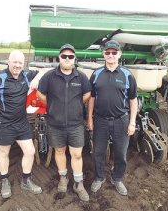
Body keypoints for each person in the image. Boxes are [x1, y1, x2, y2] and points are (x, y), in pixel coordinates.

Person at [0, 50, 43, 199]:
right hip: (3, 122)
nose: (17, 65)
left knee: (30, 151)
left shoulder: (26, 75)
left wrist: (36, 78)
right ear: (8, 62)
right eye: (15, 62)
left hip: (21, 122)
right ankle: (5, 180)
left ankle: (26, 180)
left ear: (24, 64)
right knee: (4, 153)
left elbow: (41, 72)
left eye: (20, 63)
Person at [37, 44, 92, 201]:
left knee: (77, 154)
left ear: (74, 58)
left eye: (70, 56)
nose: (67, 59)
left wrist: (73, 105)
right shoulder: (49, 76)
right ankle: (63, 177)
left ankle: (78, 183)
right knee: (59, 151)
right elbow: (41, 94)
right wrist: (54, 105)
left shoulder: (81, 77)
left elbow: (87, 94)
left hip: (75, 124)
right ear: (59, 57)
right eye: (64, 56)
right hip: (55, 123)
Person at [87, 40, 138, 196]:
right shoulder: (96, 74)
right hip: (100, 120)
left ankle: (117, 179)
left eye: (114, 53)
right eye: (107, 52)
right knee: (98, 152)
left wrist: (132, 122)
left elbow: (133, 99)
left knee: (121, 153)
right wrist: (89, 119)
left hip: (121, 120)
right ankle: (99, 177)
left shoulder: (127, 75)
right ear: (103, 54)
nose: (110, 55)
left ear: (119, 55)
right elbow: (91, 98)